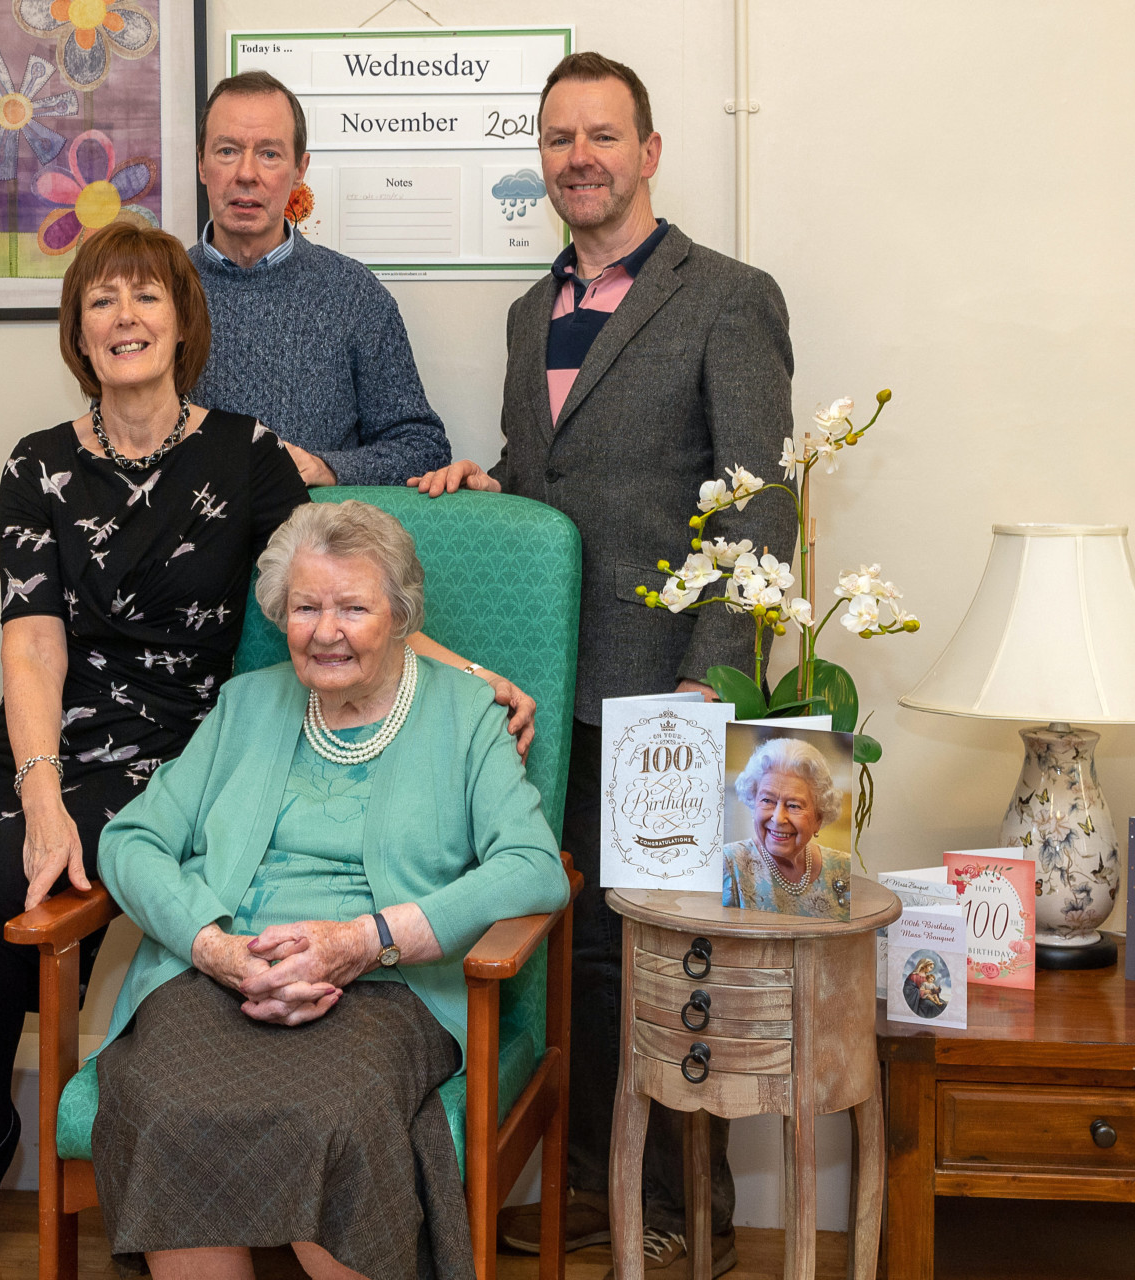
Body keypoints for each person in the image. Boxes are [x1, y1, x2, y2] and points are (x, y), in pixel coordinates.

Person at [0, 221, 532, 1280]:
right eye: (101, 300)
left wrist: (463, 673)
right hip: (44, 733)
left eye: (146, 296)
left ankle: (10, 1148)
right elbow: (32, 640)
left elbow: (331, 585)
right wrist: (40, 794)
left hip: (169, 741)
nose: (124, 317)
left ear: (184, 321)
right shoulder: (37, 463)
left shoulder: (246, 452)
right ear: (77, 330)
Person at [411, 49, 796, 1275]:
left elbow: (760, 506)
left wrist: (710, 681)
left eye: (602, 135)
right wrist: (493, 485)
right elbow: (554, 475)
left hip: (666, 692)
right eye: (558, 137)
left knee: (675, 953)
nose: (579, 156)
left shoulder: (728, 296)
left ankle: (692, 1212)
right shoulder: (530, 313)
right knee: (571, 946)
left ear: (649, 152)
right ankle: (593, 1189)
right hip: (549, 692)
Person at [90, 500, 569, 1280]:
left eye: (353, 608)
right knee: (168, 1106)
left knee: (332, 1115)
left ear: (401, 616)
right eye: (305, 607)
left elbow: (533, 866)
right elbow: (130, 840)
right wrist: (214, 949)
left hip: (385, 986)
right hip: (222, 976)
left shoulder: (466, 717)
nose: (325, 631)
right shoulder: (246, 704)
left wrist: (365, 941)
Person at [191, 70, 451, 487]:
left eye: (269, 154)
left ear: (300, 170)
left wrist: (328, 468)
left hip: (320, 528)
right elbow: (116, 437)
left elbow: (423, 448)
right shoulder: (157, 292)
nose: (246, 173)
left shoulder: (354, 294)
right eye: (227, 151)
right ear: (201, 163)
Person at [720, 737, 852, 919]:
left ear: (818, 818)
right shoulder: (727, 865)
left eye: (794, 805)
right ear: (753, 803)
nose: (778, 818)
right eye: (767, 800)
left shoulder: (844, 868)